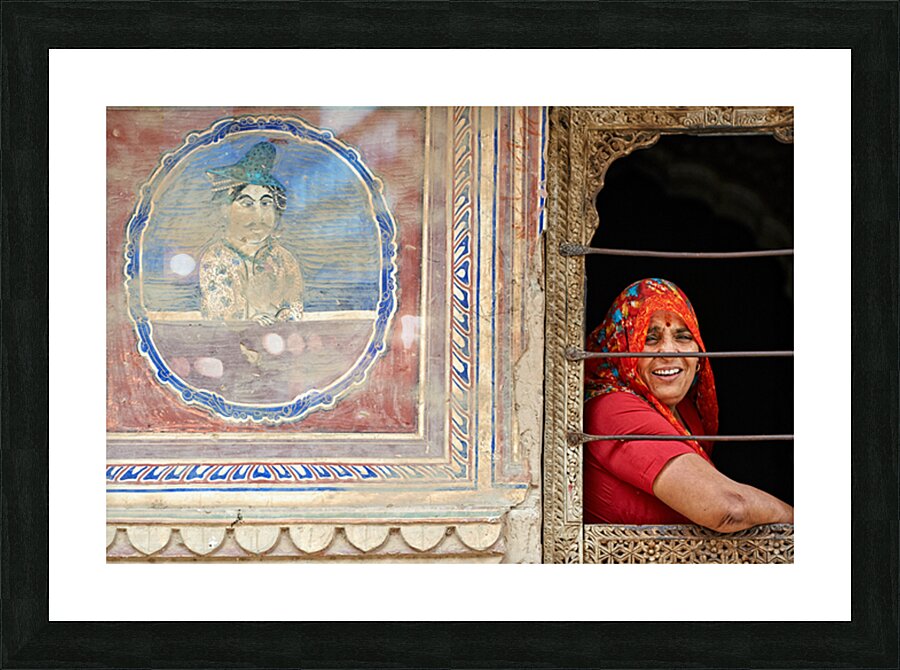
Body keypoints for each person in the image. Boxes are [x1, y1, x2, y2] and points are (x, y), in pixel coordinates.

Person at [583, 278, 793, 532]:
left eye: (683, 337)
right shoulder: (612, 407)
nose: (669, 351)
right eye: (649, 338)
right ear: (621, 346)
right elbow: (728, 508)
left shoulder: (685, 412)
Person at [199, 141, 303, 325]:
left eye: (266, 203)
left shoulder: (284, 259)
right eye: (247, 203)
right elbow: (217, 316)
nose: (259, 215)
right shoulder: (216, 257)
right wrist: (249, 322)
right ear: (225, 209)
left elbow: (295, 310)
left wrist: (281, 315)